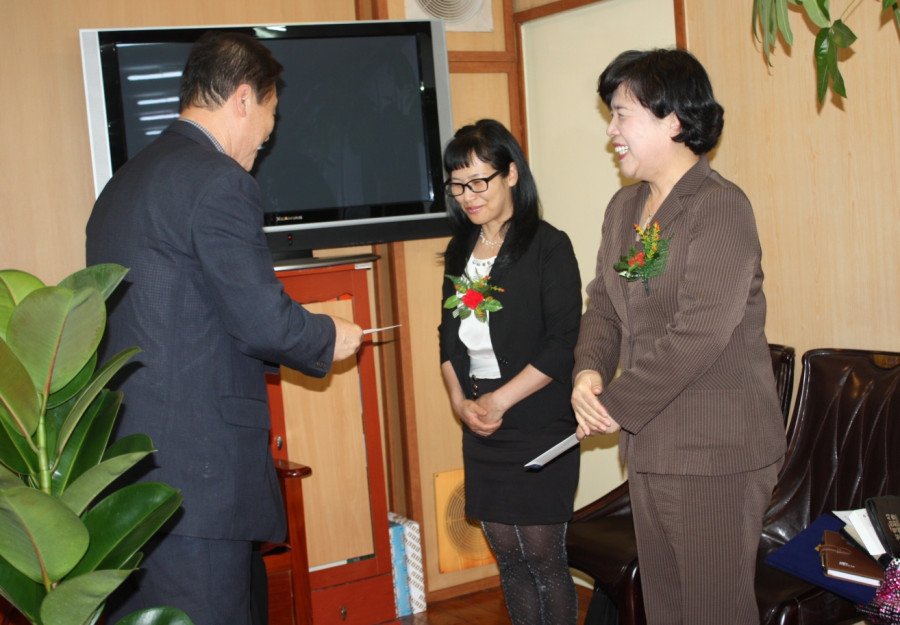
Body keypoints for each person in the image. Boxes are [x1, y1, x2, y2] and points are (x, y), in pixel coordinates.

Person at [85, 31, 363, 625]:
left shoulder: (120, 185)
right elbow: (262, 320)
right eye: (270, 116)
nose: (268, 136)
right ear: (243, 99)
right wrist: (328, 336)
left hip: (133, 474)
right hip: (200, 480)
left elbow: (192, 320)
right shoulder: (220, 182)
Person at [571, 49, 786, 625]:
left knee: (715, 611)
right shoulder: (625, 208)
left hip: (717, 450)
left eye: (622, 114)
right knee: (665, 608)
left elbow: (701, 332)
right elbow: (604, 305)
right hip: (651, 445)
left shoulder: (719, 207)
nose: (611, 131)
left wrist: (614, 405)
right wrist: (589, 373)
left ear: (672, 120)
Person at [438, 119, 583, 625]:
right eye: (458, 185)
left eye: (479, 181)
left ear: (512, 174)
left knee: (544, 557)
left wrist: (499, 401)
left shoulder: (548, 246)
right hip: (482, 425)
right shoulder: (460, 250)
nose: (468, 196)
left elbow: (562, 344)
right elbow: (447, 338)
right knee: (508, 556)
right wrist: (461, 404)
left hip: (538, 420)